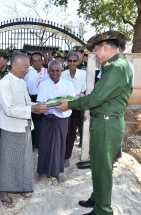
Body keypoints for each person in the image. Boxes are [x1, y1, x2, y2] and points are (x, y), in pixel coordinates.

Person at [56, 30, 133, 215]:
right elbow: (102, 96)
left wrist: (71, 104)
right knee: (98, 166)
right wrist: (85, 97)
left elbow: (97, 98)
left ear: (105, 47)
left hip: (107, 124)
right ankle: (97, 199)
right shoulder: (113, 66)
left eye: (96, 50)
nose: (95, 55)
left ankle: (103, 210)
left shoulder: (117, 67)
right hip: (103, 122)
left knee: (103, 169)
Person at [0, 52, 49, 208]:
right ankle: (4, 191)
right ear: (14, 64)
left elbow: (25, 102)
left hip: (24, 125)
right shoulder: (3, 84)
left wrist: (38, 105)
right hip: (11, 127)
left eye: (29, 66)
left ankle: (21, 186)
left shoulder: (21, 81)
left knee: (24, 159)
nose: (28, 69)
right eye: (26, 66)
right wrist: (32, 109)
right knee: (8, 161)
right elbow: (9, 109)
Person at [37, 59, 75, 179]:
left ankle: (57, 171)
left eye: (57, 70)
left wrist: (64, 107)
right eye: (52, 70)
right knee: (44, 145)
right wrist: (48, 106)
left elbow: (72, 102)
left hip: (62, 119)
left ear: (61, 71)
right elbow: (41, 103)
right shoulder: (43, 84)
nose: (55, 73)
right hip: (48, 119)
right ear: (48, 71)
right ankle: (42, 170)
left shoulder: (68, 84)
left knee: (59, 145)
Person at [61, 51, 86, 167]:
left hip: (76, 107)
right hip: (64, 106)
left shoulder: (83, 74)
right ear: (66, 61)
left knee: (71, 132)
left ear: (78, 61)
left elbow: (85, 92)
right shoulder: (62, 74)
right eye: (70, 60)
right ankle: (60, 154)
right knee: (62, 132)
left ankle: (67, 156)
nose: (72, 63)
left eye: (74, 61)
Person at [24, 52, 49, 149]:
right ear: (31, 62)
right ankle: (33, 142)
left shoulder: (47, 72)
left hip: (44, 99)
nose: (37, 63)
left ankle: (42, 143)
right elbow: (25, 87)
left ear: (42, 61)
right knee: (32, 122)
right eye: (34, 61)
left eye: (39, 61)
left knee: (43, 123)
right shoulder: (28, 73)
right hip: (31, 99)